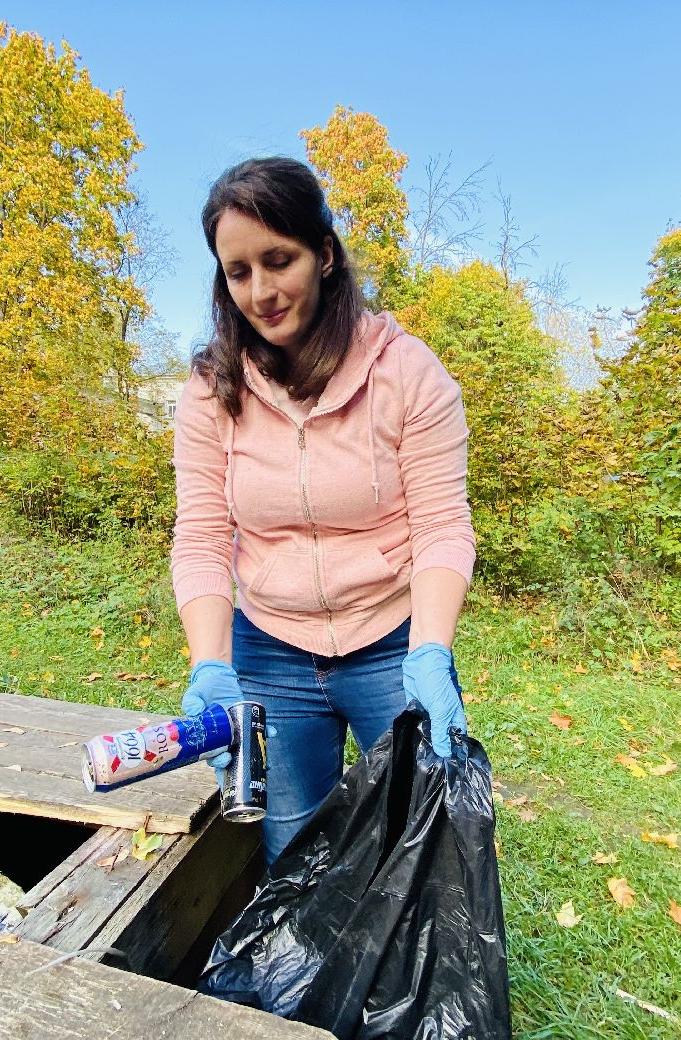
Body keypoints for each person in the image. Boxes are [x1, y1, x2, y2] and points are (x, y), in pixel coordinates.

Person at [171, 157, 475, 864]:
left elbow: (441, 525)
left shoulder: (409, 373)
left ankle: (401, 977)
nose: (262, 291)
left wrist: (430, 651)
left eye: (279, 260)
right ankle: (302, 974)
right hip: (270, 645)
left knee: (416, 834)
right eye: (239, 271)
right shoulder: (213, 389)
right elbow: (204, 536)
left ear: (326, 254)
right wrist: (211, 664)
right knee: (293, 838)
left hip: (390, 641)